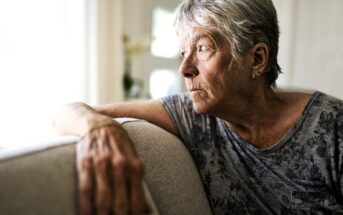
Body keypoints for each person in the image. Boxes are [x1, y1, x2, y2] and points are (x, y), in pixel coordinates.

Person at [54, 0, 343, 214]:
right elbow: (67, 112)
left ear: (256, 59)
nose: (184, 68)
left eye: (203, 48)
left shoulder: (332, 127)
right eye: (183, 52)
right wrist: (98, 128)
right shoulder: (192, 116)